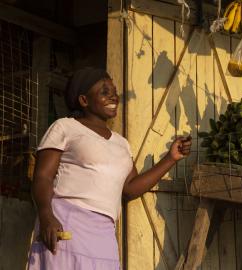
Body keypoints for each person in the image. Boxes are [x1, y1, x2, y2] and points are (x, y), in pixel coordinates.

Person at [27, 67, 192, 270]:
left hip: (104, 232)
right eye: (104, 92)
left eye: (113, 91)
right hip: (67, 224)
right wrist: (46, 214)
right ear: (84, 101)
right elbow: (43, 176)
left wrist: (171, 158)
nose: (113, 95)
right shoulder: (65, 127)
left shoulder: (121, 143)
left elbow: (130, 188)